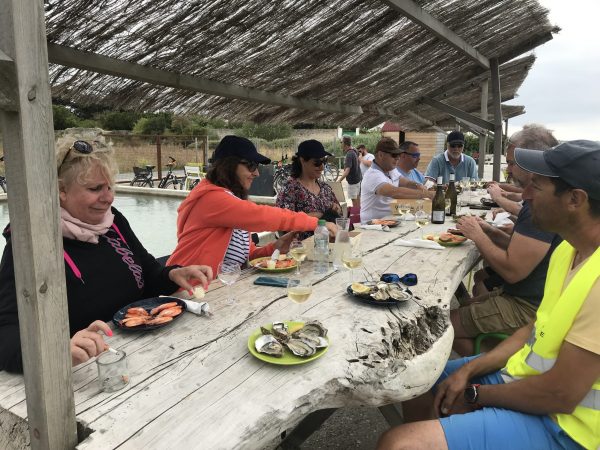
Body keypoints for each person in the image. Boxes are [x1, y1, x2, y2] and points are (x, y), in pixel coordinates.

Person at [378, 139, 600, 450]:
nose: (523, 195)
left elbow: (560, 395)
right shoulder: (568, 250)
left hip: (567, 427)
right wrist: (469, 369)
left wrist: (475, 392)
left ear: (575, 199)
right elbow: (533, 330)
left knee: (398, 443)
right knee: (416, 379)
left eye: (537, 186)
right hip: (522, 377)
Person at [0, 138, 213, 373]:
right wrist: (57, 351)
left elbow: (149, 275)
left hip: (147, 355)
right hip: (85, 373)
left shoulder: (114, 223)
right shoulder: (30, 243)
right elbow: (7, 334)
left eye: (109, 187)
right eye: (95, 189)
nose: (108, 198)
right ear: (61, 190)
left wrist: (173, 274)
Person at [453, 125, 561, 355]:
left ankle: (483, 368)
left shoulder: (540, 206)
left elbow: (512, 270)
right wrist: (488, 231)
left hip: (526, 306)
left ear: (531, 162)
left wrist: (478, 235)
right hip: (524, 295)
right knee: (462, 305)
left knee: (442, 327)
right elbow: (519, 250)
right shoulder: (540, 198)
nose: (508, 170)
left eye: (512, 162)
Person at [167, 136, 337, 274]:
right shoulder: (211, 199)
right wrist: (316, 223)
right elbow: (264, 216)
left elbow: (246, 256)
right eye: (251, 165)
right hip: (189, 291)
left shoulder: (231, 201)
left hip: (219, 289)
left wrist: (274, 247)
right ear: (229, 166)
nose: (256, 172)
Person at [276, 140, 342, 239]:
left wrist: (337, 209)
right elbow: (283, 223)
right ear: (302, 160)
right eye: (317, 163)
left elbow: (340, 215)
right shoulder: (290, 189)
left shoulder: (325, 188)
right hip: (302, 249)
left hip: (329, 245)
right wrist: (314, 216)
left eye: (324, 161)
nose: (322, 167)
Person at [360, 137, 433, 223]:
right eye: (394, 155)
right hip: (372, 225)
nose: (398, 158)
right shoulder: (373, 174)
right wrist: (426, 194)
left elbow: (406, 182)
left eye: (398, 155)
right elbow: (395, 192)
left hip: (389, 222)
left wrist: (418, 185)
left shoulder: (390, 170)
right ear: (380, 155)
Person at [337, 136, 362, 209]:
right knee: (357, 199)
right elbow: (359, 158)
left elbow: (347, 171)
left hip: (353, 182)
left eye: (341, 142)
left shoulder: (349, 154)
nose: (340, 144)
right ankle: (359, 215)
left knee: (354, 202)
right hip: (358, 179)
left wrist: (339, 181)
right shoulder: (354, 150)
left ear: (345, 143)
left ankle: (357, 217)